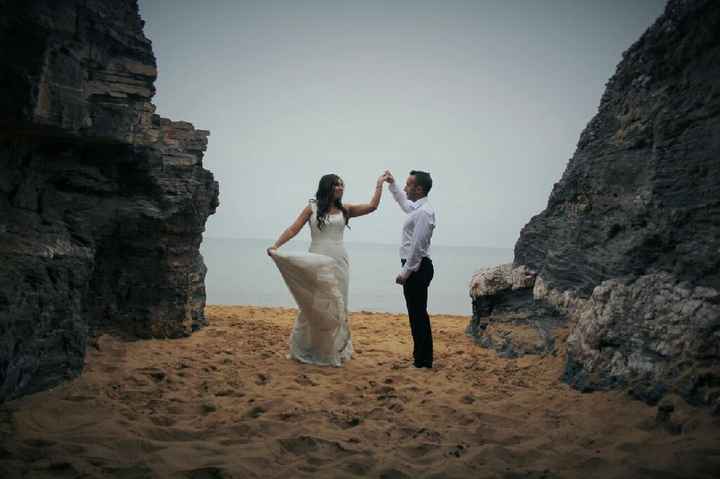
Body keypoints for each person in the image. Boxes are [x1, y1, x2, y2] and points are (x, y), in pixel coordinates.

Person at [267, 173, 387, 366]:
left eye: (342, 185)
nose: (340, 188)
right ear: (326, 187)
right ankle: (308, 348)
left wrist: (379, 184)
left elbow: (372, 206)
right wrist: (276, 246)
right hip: (315, 260)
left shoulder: (345, 209)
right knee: (313, 305)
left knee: (337, 305)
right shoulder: (311, 208)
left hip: (338, 261)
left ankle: (332, 350)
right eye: (336, 185)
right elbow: (293, 229)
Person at [385, 170, 436, 369]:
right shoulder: (417, 208)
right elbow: (405, 204)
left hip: (417, 268)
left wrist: (405, 272)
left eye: (408, 185)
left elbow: (418, 247)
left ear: (419, 189)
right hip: (416, 267)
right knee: (417, 315)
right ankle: (422, 359)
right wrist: (393, 184)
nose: (405, 188)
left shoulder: (424, 212)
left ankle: (422, 362)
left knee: (418, 316)